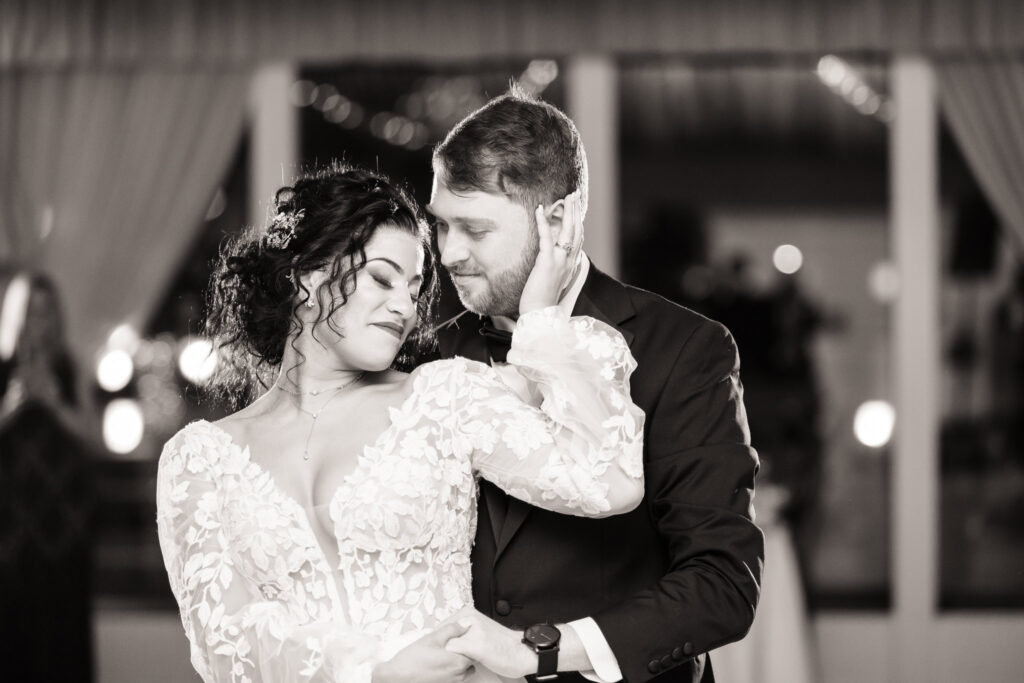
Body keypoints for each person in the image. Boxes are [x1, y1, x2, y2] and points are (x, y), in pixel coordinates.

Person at [155, 163, 647, 683]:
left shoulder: (442, 399)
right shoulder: (199, 458)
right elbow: (224, 642)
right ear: (306, 278)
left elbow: (607, 482)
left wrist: (542, 317)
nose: (404, 308)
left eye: (414, 290)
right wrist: (375, 674)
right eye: (382, 278)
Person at [425, 87, 764, 682]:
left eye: (473, 229)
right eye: (441, 226)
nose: (448, 253)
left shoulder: (685, 350)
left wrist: (543, 652)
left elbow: (721, 585)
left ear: (556, 219)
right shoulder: (427, 353)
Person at [0, 267, 95, 682]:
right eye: (31, 312)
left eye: (46, 312)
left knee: (61, 642)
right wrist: (12, 404)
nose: (39, 322)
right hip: (11, 536)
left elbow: (94, 436)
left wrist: (55, 402)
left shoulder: (71, 369)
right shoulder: (2, 371)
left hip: (64, 533)